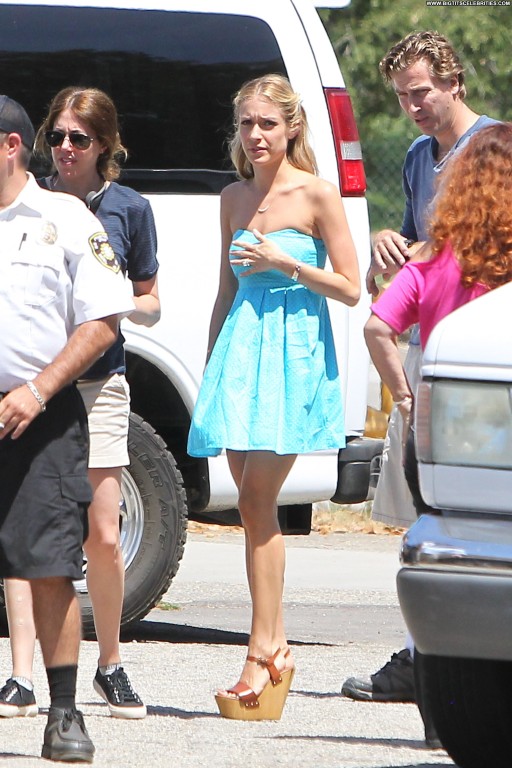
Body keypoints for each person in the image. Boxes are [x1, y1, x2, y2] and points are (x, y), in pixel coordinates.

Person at [187, 74, 360, 720]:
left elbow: (351, 288)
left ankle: (260, 654)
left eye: (267, 123)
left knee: (258, 500)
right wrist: (212, 367)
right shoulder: (233, 197)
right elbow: (225, 291)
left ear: (291, 128)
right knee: (252, 511)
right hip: (241, 355)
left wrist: (285, 263)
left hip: (294, 353)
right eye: (246, 124)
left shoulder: (315, 193)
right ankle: (276, 648)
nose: (256, 135)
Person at [341, 30, 497, 715]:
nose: (413, 106)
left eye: (422, 92)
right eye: (403, 96)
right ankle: (421, 657)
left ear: (454, 82)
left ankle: (442, 662)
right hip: (430, 343)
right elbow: (416, 248)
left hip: (483, 348)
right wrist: (389, 242)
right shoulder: (415, 156)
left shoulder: (493, 147)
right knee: (425, 517)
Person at [0, 87, 160, 721]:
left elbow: (139, 300)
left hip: (93, 384)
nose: (66, 147)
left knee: (98, 532)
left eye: (79, 138)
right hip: (31, 393)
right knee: (22, 537)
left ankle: (109, 663)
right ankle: (21, 675)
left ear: (103, 144)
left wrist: (107, 304)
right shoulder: (33, 203)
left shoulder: (119, 210)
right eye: (58, 136)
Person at [364, 120, 512, 742]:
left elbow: (378, 327)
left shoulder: (431, 257)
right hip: (501, 431)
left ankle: (437, 713)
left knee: (443, 555)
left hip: (440, 433)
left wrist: (404, 397)